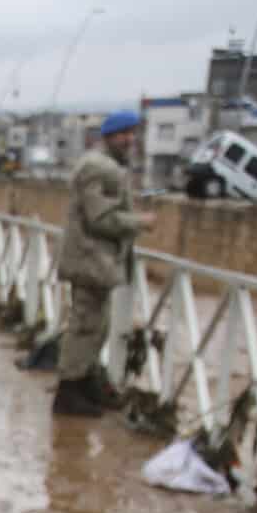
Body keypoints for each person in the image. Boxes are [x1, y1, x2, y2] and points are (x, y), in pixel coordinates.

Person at [56, 110, 154, 419]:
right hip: (89, 260)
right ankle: (68, 392)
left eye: (132, 133)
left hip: (96, 262)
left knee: (97, 326)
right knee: (85, 325)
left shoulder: (103, 166)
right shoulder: (98, 168)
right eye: (123, 134)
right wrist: (140, 222)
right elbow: (101, 218)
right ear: (108, 136)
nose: (129, 140)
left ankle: (84, 384)